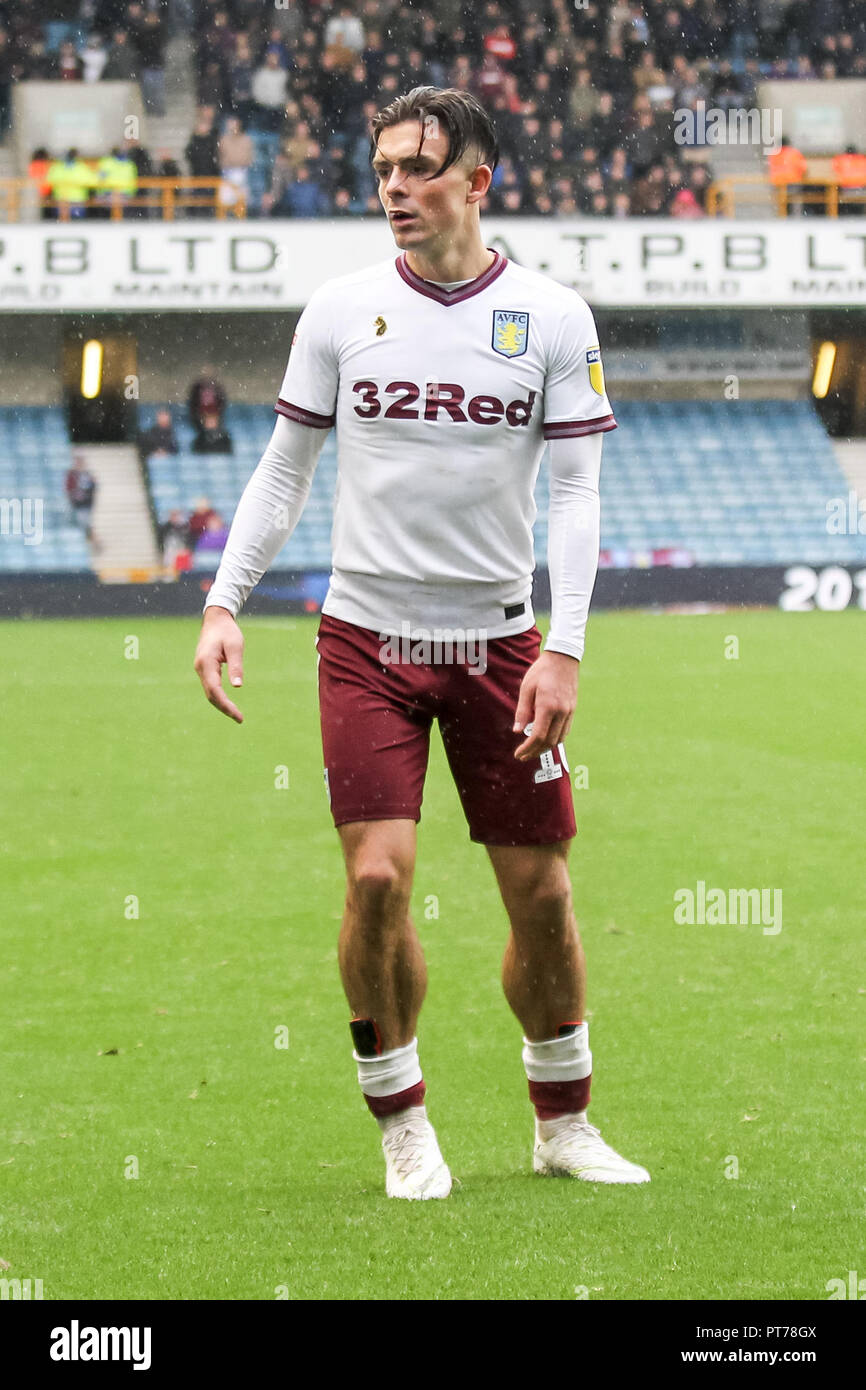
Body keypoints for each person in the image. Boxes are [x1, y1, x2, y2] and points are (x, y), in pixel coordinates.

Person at [194, 86, 650, 1200]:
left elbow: (579, 495)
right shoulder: (340, 311)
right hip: (365, 640)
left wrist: (567, 648)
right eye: (383, 168)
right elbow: (284, 470)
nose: (394, 188)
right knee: (379, 880)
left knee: (540, 894)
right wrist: (221, 601)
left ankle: (562, 1118)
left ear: (475, 182)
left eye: (418, 168)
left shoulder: (550, 317)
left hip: (501, 646)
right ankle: (402, 1120)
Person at [65, 454, 97, 540]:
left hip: (85, 504)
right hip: (76, 504)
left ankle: (91, 540)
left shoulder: (88, 475)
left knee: (84, 523)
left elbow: (92, 488)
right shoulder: (72, 475)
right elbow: (68, 489)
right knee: (81, 523)